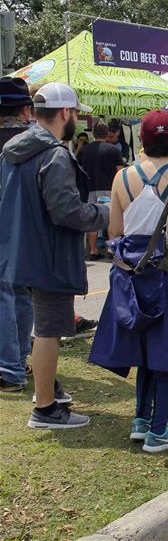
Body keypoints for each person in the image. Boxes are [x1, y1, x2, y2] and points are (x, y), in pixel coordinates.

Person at [89, 110, 168, 451]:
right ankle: (159, 431)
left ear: (141, 139)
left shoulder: (122, 178)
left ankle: (142, 419)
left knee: (142, 349)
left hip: (130, 272)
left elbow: (114, 231)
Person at [0, 82, 108, 427]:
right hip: (50, 254)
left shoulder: (13, 150)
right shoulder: (54, 154)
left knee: (40, 326)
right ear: (65, 113)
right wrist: (104, 215)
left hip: (20, 250)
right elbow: (66, 211)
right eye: (75, 112)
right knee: (49, 330)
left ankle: (49, 392)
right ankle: (45, 408)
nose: (75, 118)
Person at [0, 77, 34, 393]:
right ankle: (20, 358)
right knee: (22, 294)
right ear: (25, 109)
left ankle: (10, 369)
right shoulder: (38, 141)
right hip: (31, 232)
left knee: (4, 295)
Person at [78, 121, 126, 260]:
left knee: (93, 219)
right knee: (112, 219)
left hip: (90, 189)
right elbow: (120, 172)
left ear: (93, 133)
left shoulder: (84, 151)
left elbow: (78, 171)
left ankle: (93, 250)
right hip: (110, 189)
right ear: (107, 133)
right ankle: (111, 248)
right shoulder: (113, 150)